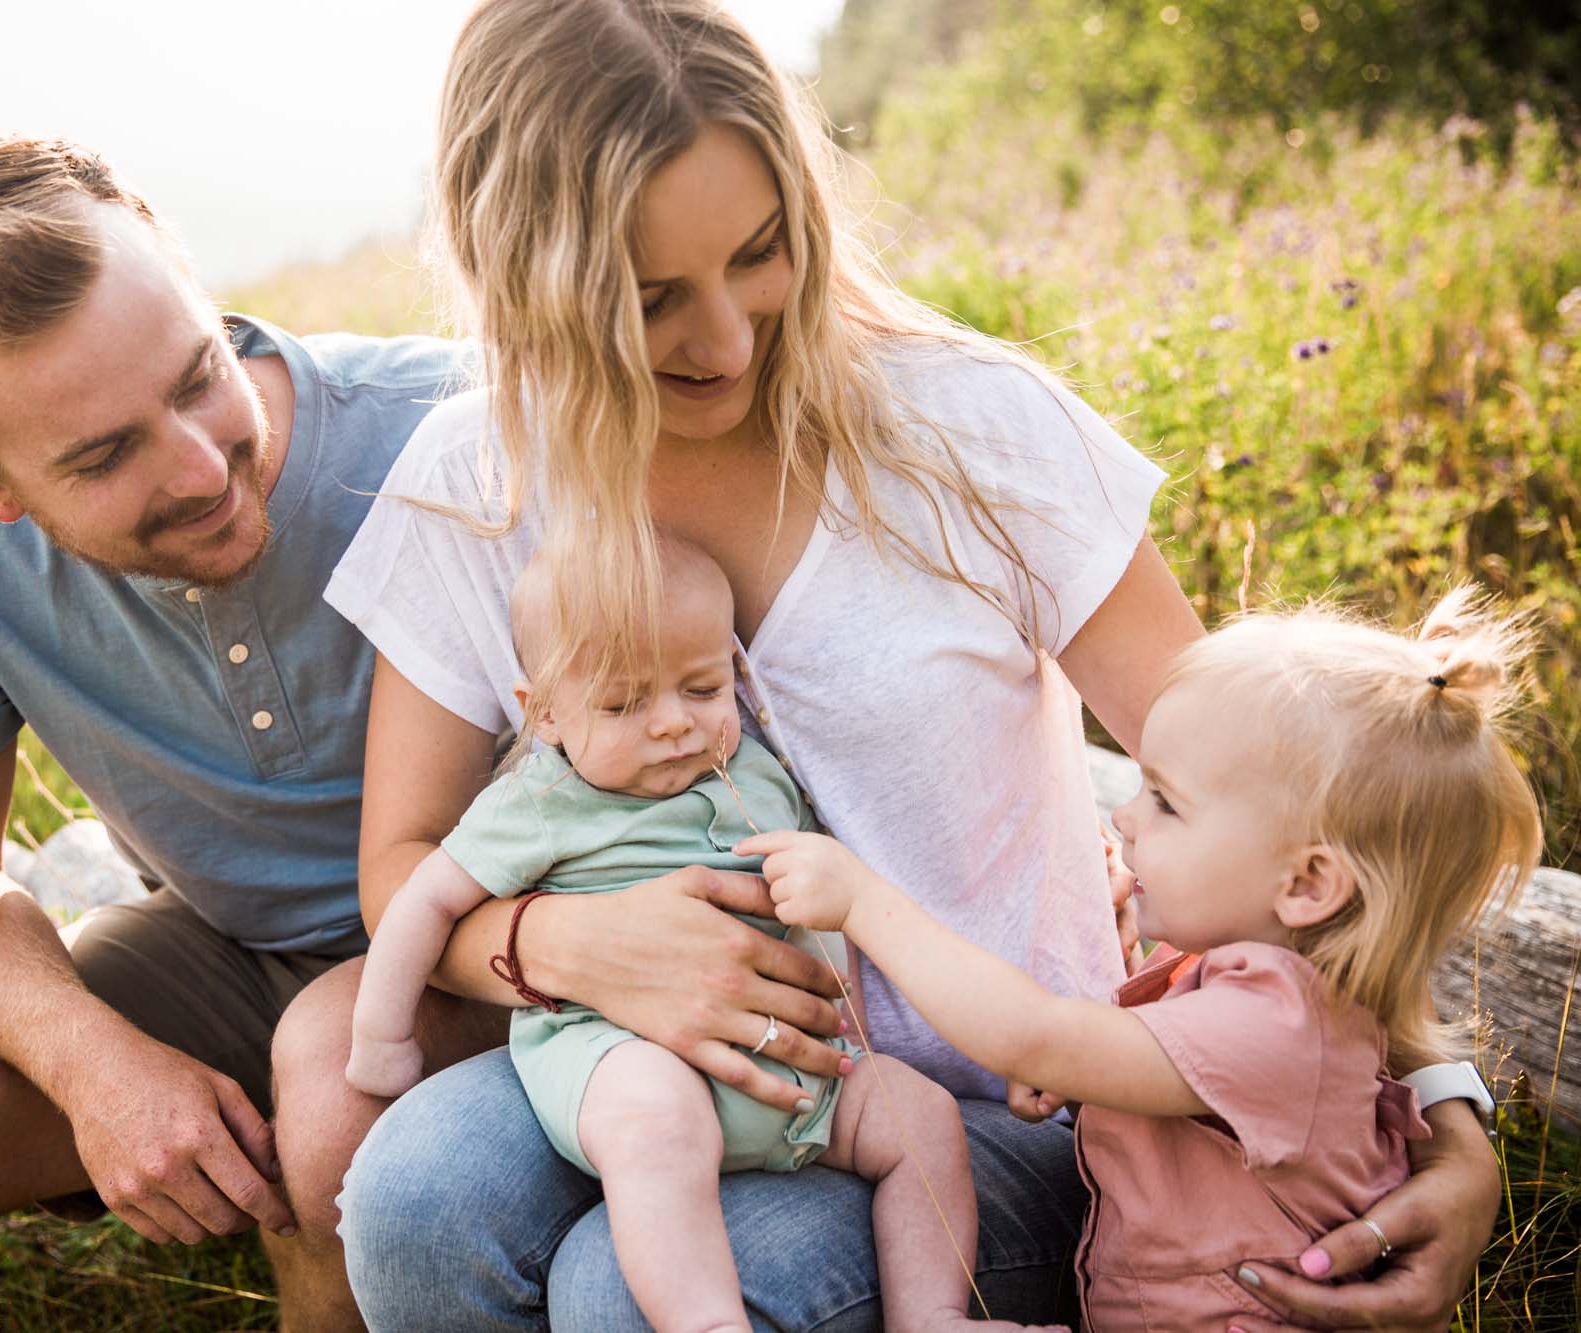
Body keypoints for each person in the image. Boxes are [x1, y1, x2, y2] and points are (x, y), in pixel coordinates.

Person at [316, 1, 1505, 1328]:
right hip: (617, 1060)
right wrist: (566, 940)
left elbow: (1297, 804)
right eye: (651, 301)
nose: (727, 339)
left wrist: (1450, 1111)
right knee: (416, 1201)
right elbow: (400, 862)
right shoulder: (473, 487)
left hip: (1010, 1098)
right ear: (527, 280)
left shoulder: (975, 431)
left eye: (760, 255)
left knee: (627, 1295)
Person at [0, 136, 502, 1333]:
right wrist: (94, 1064)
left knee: (332, 1100)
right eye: (105, 453)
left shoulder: (460, 425)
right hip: (235, 955)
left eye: (196, 375)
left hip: (506, 947)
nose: (203, 466)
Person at [744, 590, 1537, 1329]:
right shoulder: (1249, 982)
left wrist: (864, 903)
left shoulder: (1279, 1020)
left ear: (1307, 883)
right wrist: (1094, 1077)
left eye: (1165, 800)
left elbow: (1032, 1033)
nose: (1125, 815)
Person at [350, 536, 1018, 1332]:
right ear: (546, 713)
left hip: (798, 1079)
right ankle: (706, 1321)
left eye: (701, 687)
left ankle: (935, 1314)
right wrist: (381, 1041)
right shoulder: (542, 798)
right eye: (624, 703)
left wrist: (857, 1040)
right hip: (622, 1057)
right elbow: (421, 901)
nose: (673, 724)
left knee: (923, 1117)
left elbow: (830, 922)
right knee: (658, 1117)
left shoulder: (758, 773)